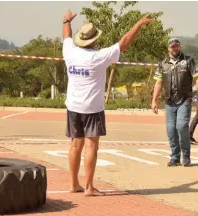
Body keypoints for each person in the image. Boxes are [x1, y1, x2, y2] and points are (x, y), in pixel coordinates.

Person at [62, 10, 153, 196]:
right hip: (92, 108)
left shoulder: (69, 51)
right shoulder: (99, 56)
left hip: (73, 106)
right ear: (94, 40)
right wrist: (139, 24)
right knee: (91, 146)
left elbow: (66, 35)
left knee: (74, 145)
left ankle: (73, 184)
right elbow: (125, 42)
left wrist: (66, 20)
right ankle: (88, 187)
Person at [151, 38, 198, 167]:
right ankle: (175, 156)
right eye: (172, 47)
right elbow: (158, 82)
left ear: (180, 47)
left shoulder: (188, 61)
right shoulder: (163, 63)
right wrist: (154, 100)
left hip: (184, 99)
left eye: (177, 46)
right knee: (170, 129)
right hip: (169, 101)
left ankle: (186, 155)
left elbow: (197, 79)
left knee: (181, 126)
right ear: (169, 48)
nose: (175, 49)